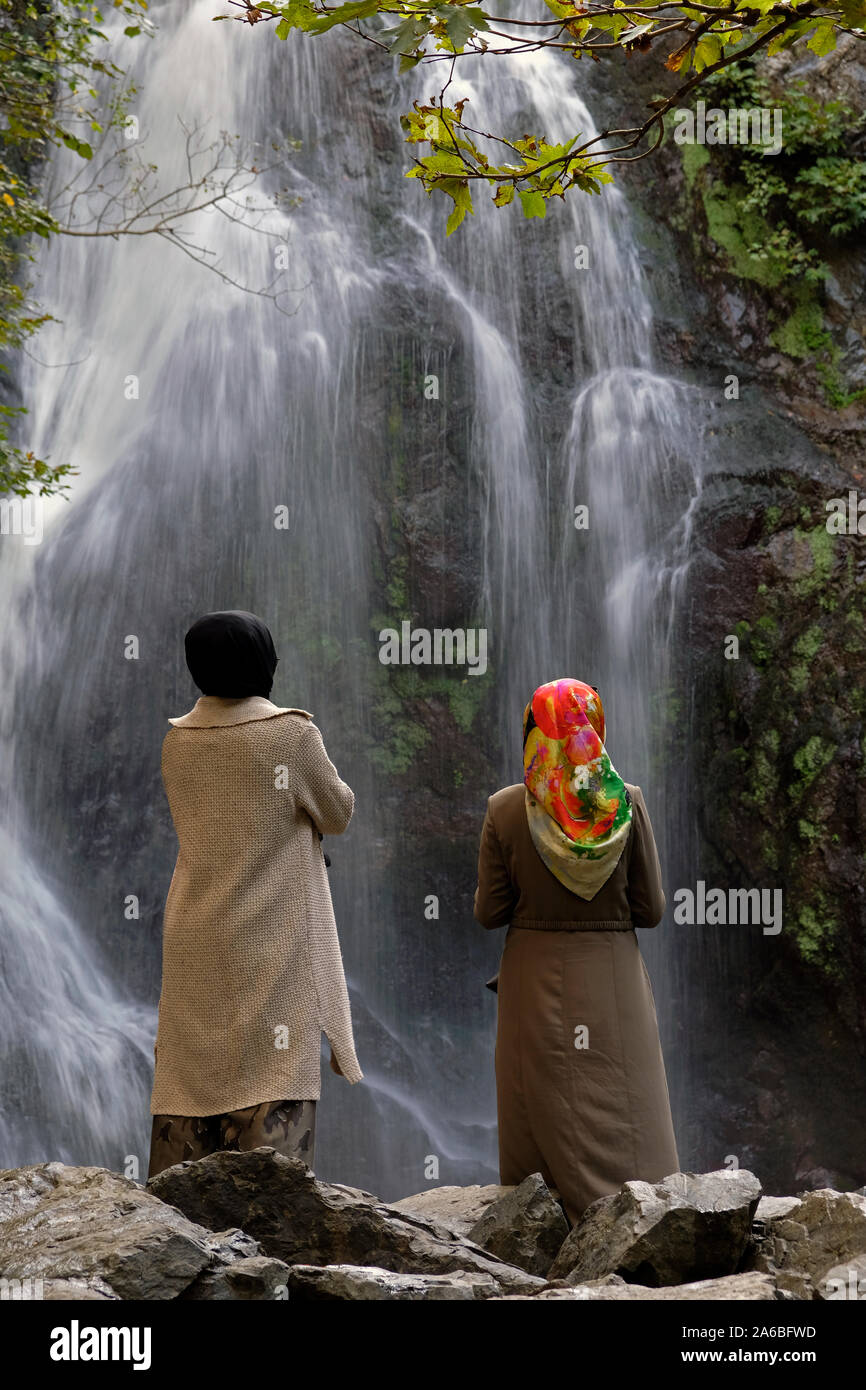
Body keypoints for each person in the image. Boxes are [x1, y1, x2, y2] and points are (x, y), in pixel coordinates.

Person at [147, 610, 362, 1180]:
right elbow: (337, 812)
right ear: (263, 662)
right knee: (272, 1078)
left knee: (193, 1079)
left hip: (195, 939)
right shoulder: (292, 734)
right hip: (270, 937)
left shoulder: (178, 742)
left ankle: (180, 1231)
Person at [474, 677, 679, 1224]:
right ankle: (644, 1227)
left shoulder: (505, 809)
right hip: (612, 978)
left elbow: (489, 913)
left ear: (531, 732)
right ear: (595, 728)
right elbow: (652, 909)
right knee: (623, 1105)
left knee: (536, 1109)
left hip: (532, 976)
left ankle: (539, 1232)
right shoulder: (626, 802)